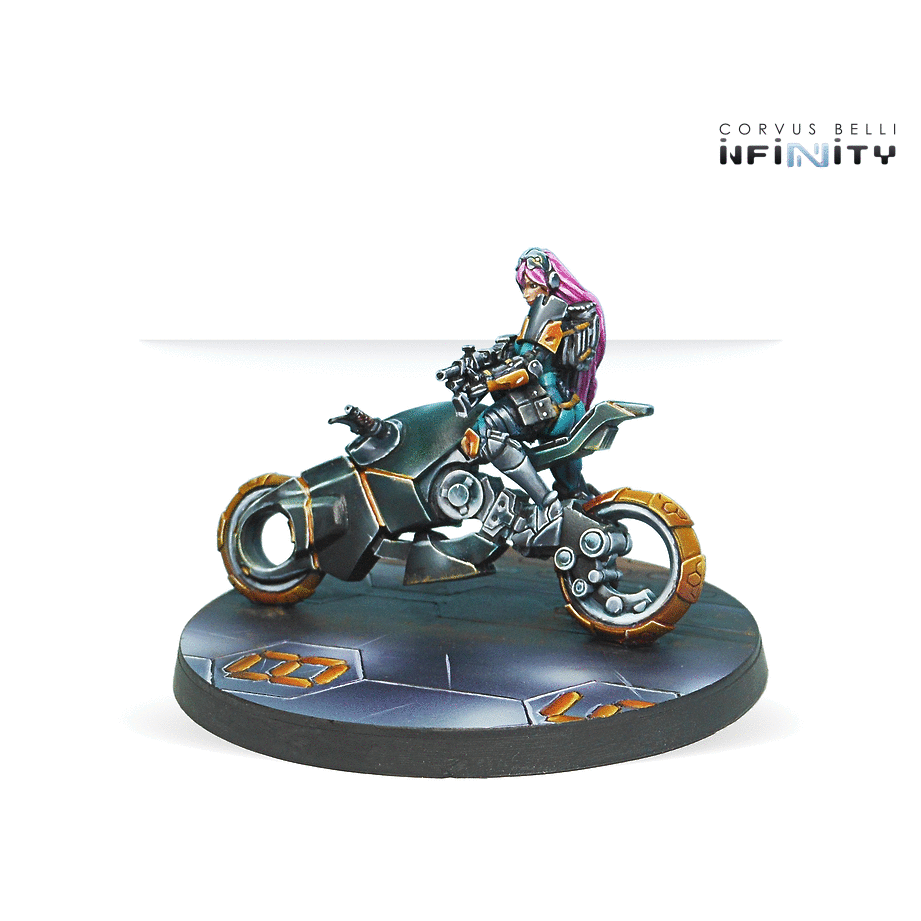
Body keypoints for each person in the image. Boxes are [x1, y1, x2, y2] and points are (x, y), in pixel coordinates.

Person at [458, 247, 606, 513]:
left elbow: (530, 366)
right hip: (562, 403)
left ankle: (546, 505)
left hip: (546, 405)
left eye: (532, 285)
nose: (527, 294)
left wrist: (488, 381)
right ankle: (576, 498)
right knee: (571, 486)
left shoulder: (550, 313)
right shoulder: (554, 314)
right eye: (523, 287)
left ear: (552, 281)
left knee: (486, 429)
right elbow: (519, 352)